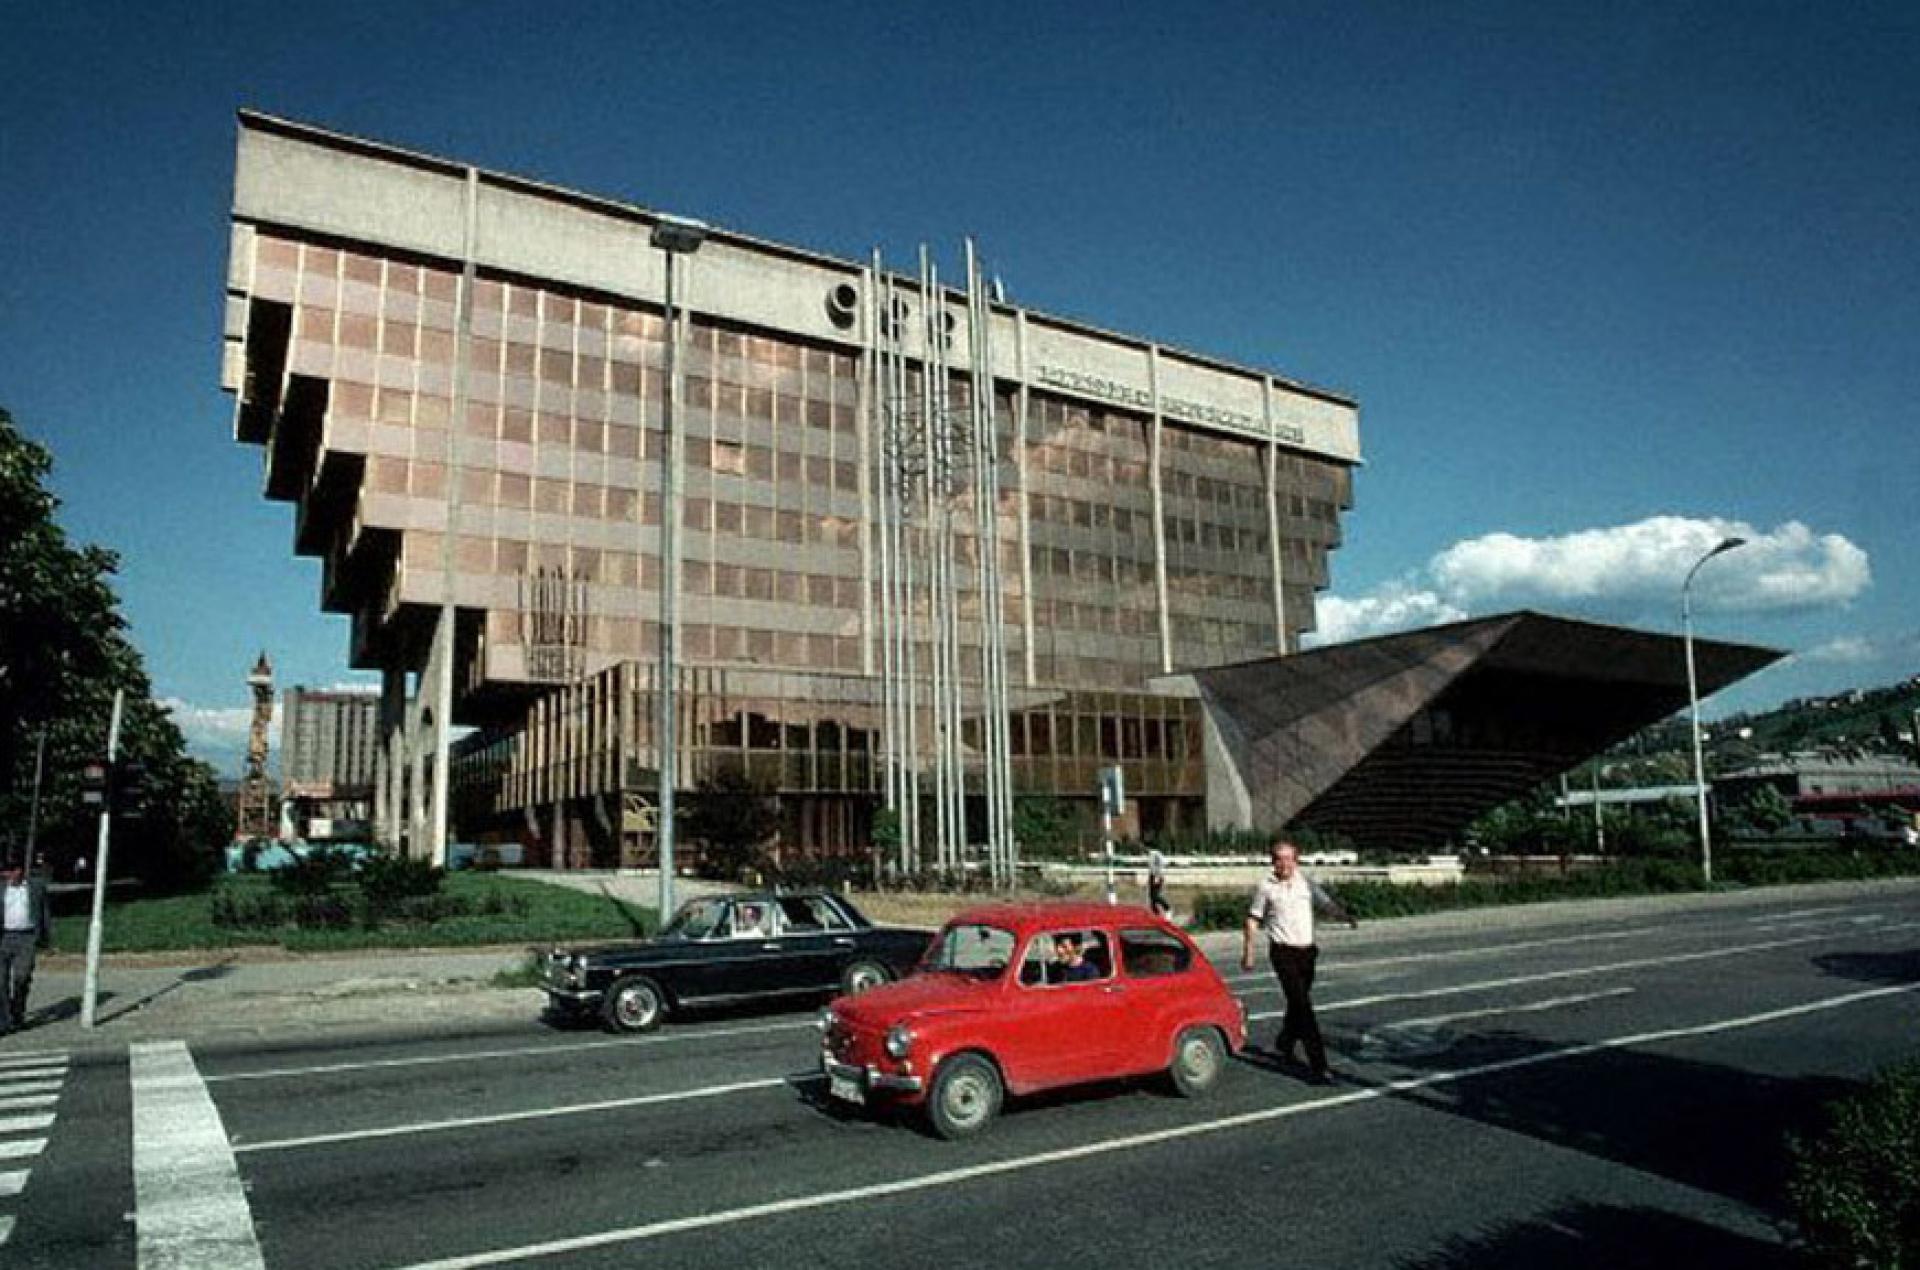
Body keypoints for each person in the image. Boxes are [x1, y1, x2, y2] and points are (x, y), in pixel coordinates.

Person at [1241, 839, 1356, 1084]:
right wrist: (1249, 952)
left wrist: (1345, 916)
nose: (1284, 864)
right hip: (1283, 953)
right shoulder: (1266, 887)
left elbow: (1326, 904)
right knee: (1304, 1008)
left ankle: (1286, 1040)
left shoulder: (1306, 882)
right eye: (1278, 859)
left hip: (1308, 952)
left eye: (1288, 859)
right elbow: (1252, 919)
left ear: (1296, 859)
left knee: (1297, 1003)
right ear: (1272, 862)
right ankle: (1319, 1067)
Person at [0, 855, 53, 1036]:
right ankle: (5, 1021)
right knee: (1, 981)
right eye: (5, 873)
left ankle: (17, 1012)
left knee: (22, 977)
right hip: (4, 937)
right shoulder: (1, 888)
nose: (8, 876)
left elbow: (44, 913)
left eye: (11, 872)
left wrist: (46, 939)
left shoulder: (35, 887)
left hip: (27, 937)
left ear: (19, 871)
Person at [1147, 845, 1171, 918]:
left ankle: (1167, 909)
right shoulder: (1152, 854)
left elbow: (1159, 865)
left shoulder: (1156, 854)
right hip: (1153, 875)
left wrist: (1157, 876)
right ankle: (1157, 915)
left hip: (1156, 875)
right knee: (1151, 897)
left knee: (1155, 895)